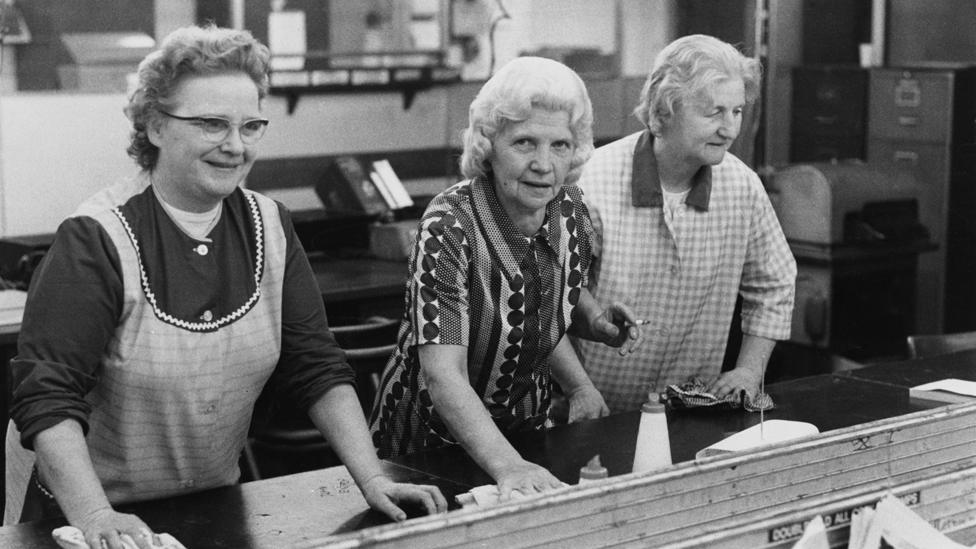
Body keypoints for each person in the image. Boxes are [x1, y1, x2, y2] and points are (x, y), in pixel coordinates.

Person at [4, 24, 445, 548]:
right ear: (154, 125)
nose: (235, 147)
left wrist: (373, 480)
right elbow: (47, 396)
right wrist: (97, 517)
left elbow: (315, 366)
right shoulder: (97, 238)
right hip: (78, 516)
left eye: (251, 126)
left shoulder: (271, 226)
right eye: (212, 124)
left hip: (208, 505)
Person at [369, 56, 643, 501]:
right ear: (488, 146)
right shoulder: (449, 224)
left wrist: (587, 337)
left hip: (525, 437)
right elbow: (444, 376)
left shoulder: (569, 210)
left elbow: (538, 306)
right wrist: (507, 465)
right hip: (427, 449)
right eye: (524, 143)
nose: (543, 163)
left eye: (559, 145)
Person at [574, 34, 797, 413]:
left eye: (737, 111)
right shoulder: (592, 179)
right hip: (597, 412)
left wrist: (748, 371)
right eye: (714, 112)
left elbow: (774, 284)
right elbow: (555, 291)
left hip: (692, 411)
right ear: (663, 113)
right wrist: (577, 389)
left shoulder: (743, 186)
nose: (729, 128)